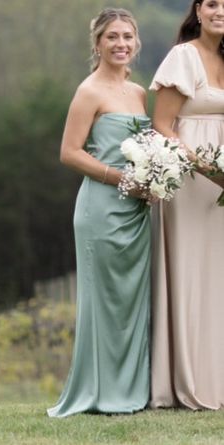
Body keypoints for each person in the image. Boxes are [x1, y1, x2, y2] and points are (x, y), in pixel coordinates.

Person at [47, 8, 151, 418]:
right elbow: (69, 153)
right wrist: (120, 179)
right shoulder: (88, 91)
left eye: (127, 36)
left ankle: (132, 390)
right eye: (112, 37)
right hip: (101, 211)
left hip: (137, 213)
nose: (121, 43)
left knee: (131, 302)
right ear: (98, 44)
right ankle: (97, 391)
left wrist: (155, 179)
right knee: (103, 303)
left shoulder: (140, 93)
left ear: (136, 42)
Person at [149, 0, 224, 410]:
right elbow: (162, 124)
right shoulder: (183, 56)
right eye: (213, 2)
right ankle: (188, 382)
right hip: (190, 181)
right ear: (198, 11)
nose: (221, 10)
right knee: (193, 275)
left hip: (223, 190)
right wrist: (206, 167)